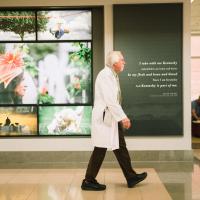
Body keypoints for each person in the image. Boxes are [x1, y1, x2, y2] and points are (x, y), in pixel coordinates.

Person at [81, 51, 147, 191]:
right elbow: (110, 100)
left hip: (110, 117)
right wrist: (123, 117)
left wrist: (119, 116)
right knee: (101, 148)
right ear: (114, 63)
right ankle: (88, 180)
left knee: (119, 146)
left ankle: (130, 176)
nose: (124, 62)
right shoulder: (105, 75)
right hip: (105, 118)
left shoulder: (111, 75)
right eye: (122, 60)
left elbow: (113, 100)